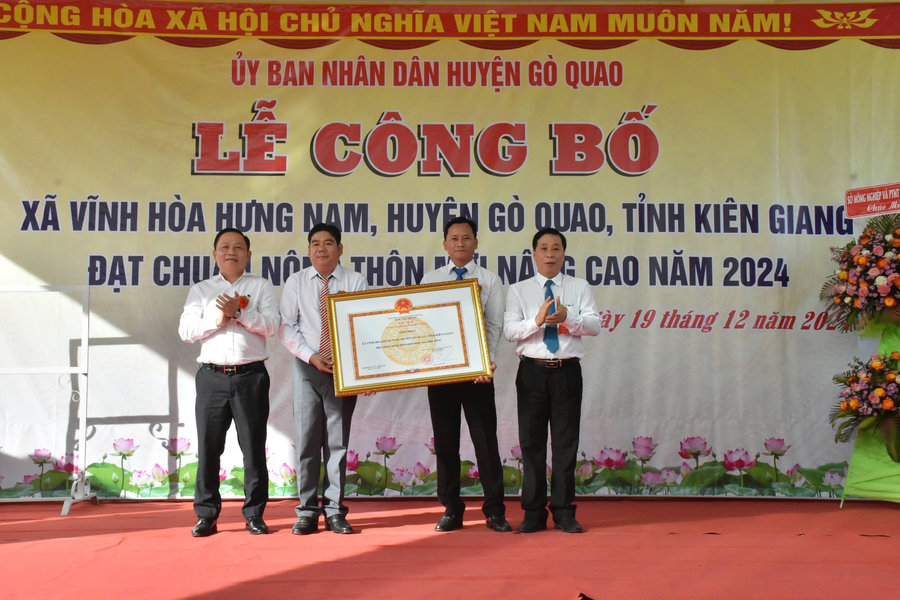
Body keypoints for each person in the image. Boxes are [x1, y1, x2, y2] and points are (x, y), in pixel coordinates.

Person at [178, 228, 279, 537]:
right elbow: (186, 331)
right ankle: (206, 515)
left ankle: (254, 514)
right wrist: (219, 320)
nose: (231, 252)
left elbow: (272, 325)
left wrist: (241, 314)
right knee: (209, 449)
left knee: (253, 449)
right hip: (212, 377)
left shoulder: (261, 286)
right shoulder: (201, 290)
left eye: (237, 247)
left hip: (251, 377)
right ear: (215, 255)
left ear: (248, 254)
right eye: (224, 247)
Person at [503, 227, 601, 534]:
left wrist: (567, 319)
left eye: (556, 248)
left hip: (566, 372)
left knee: (565, 444)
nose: (550, 254)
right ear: (534, 254)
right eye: (543, 248)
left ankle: (563, 511)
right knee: (531, 444)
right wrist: (537, 321)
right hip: (531, 372)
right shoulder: (519, 290)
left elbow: (595, 325)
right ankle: (533, 513)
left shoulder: (579, 286)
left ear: (564, 254)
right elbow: (510, 331)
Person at [420, 216, 511, 533]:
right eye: (454, 238)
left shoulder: (490, 280)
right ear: (445, 244)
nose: (460, 243)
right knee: (446, 444)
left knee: (485, 442)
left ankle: (495, 510)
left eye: (466, 238)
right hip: (441, 374)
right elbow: (423, 326)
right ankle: (451, 509)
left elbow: (494, 325)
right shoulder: (430, 279)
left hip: (477, 375)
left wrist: (488, 363)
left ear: (476, 243)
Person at [279, 223, 366, 535]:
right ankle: (306, 511)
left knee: (337, 443)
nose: (321, 248)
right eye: (315, 243)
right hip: (307, 367)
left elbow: (363, 325)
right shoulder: (296, 282)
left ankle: (334, 511)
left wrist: (362, 371)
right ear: (308, 249)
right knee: (307, 441)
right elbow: (287, 326)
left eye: (328, 243)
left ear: (339, 249)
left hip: (343, 371)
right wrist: (311, 355)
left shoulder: (355, 281)